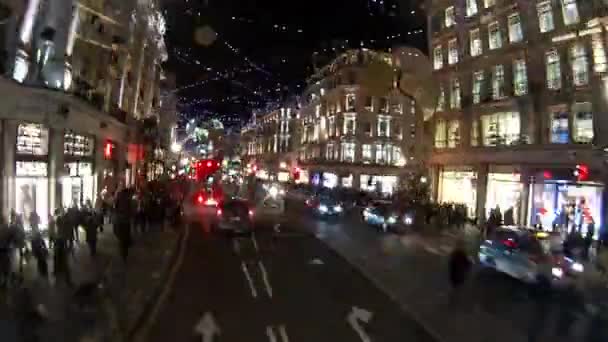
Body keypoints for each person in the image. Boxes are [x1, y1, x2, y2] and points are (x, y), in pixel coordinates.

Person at [447, 241, 472, 307]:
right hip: (459, 275)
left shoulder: (454, 253)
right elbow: (468, 264)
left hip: (454, 275)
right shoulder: (462, 254)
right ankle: (454, 299)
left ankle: (452, 299)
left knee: (455, 287)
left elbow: (450, 264)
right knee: (457, 288)